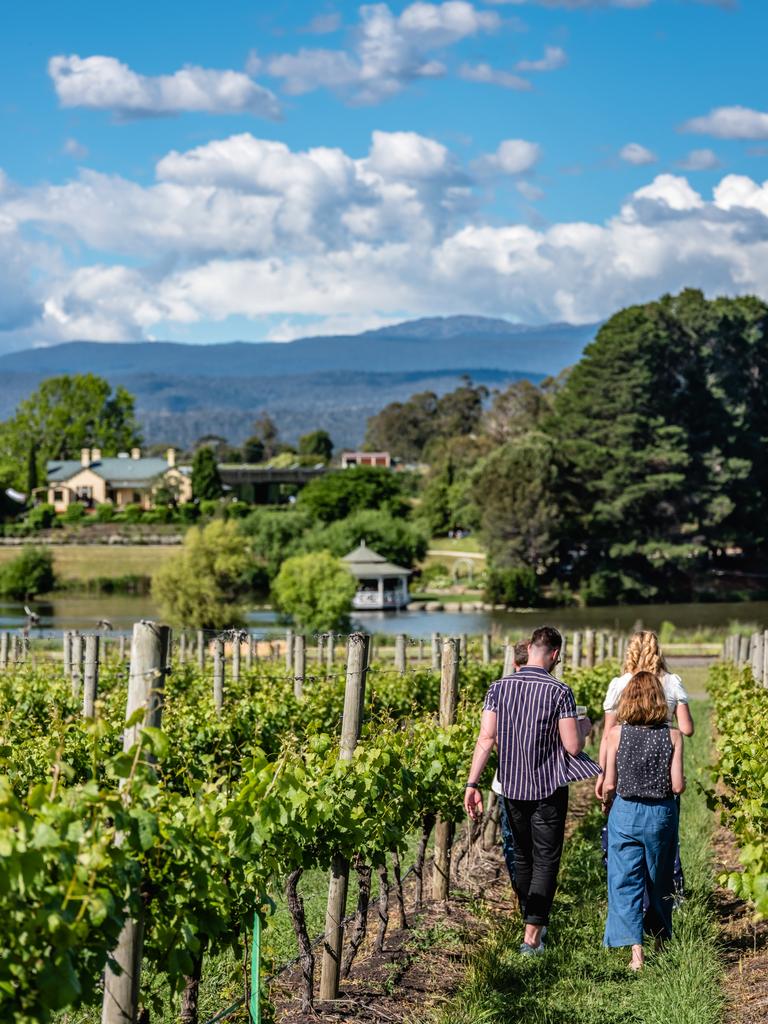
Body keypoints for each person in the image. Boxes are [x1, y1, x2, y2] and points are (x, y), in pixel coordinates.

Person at [464, 626, 599, 955]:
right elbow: (571, 746)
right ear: (554, 654)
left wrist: (472, 784)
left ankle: (532, 922)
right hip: (547, 787)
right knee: (546, 859)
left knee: (522, 855)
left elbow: (486, 739)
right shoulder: (559, 692)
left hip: (511, 785)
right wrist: (584, 727)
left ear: (530, 649)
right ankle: (532, 937)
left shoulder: (498, 688)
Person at [596, 630, 693, 897]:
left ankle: (632, 897)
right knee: (664, 838)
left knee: (626, 836)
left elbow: (608, 733)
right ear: (658, 650)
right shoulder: (671, 681)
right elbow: (686, 728)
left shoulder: (620, 683)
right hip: (662, 760)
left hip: (626, 762)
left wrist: (603, 774)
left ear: (630, 651)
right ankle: (669, 895)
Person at [601, 671, 685, 970]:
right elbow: (677, 786)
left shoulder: (615, 734)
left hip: (625, 812)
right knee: (659, 878)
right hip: (661, 813)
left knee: (624, 880)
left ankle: (636, 952)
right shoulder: (673, 735)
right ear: (659, 700)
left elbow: (609, 782)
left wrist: (606, 803)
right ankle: (661, 940)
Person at [492, 638, 531, 884]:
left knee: (512, 840)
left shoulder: (499, 690)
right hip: (544, 783)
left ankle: (523, 894)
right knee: (539, 843)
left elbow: (491, 737)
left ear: (514, 663)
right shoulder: (555, 689)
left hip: (507, 781)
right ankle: (534, 902)